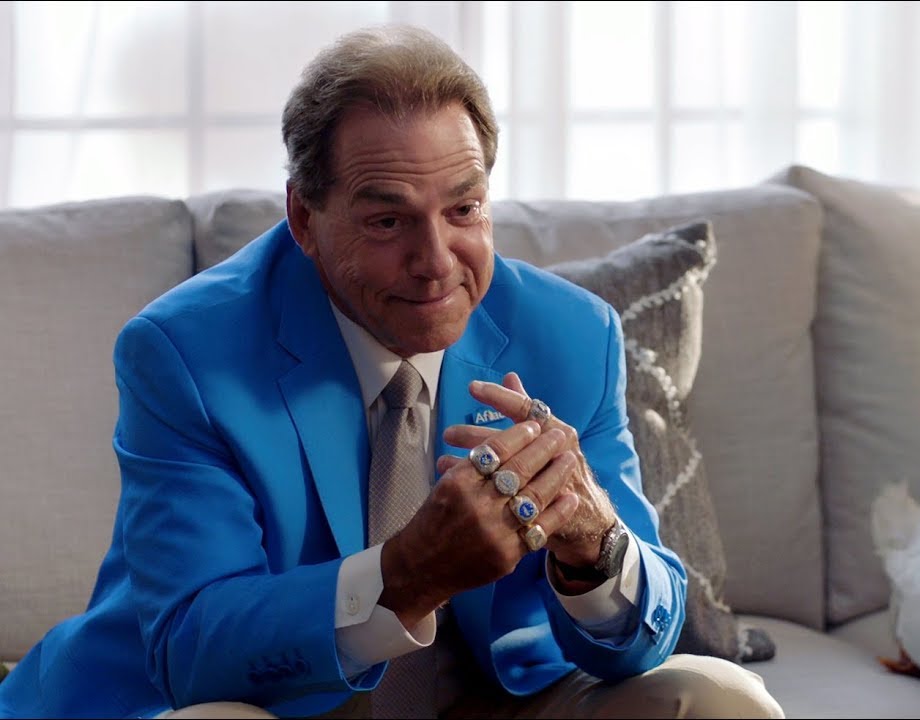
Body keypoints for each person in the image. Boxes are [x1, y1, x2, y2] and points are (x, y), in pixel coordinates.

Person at [0, 22, 784, 720]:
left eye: (463, 209)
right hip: (273, 702)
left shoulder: (574, 336)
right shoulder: (185, 353)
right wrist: (404, 576)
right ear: (305, 219)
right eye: (387, 221)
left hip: (495, 701)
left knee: (720, 701)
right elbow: (193, 650)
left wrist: (597, 546)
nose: (436, 262)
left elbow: (641, 643)